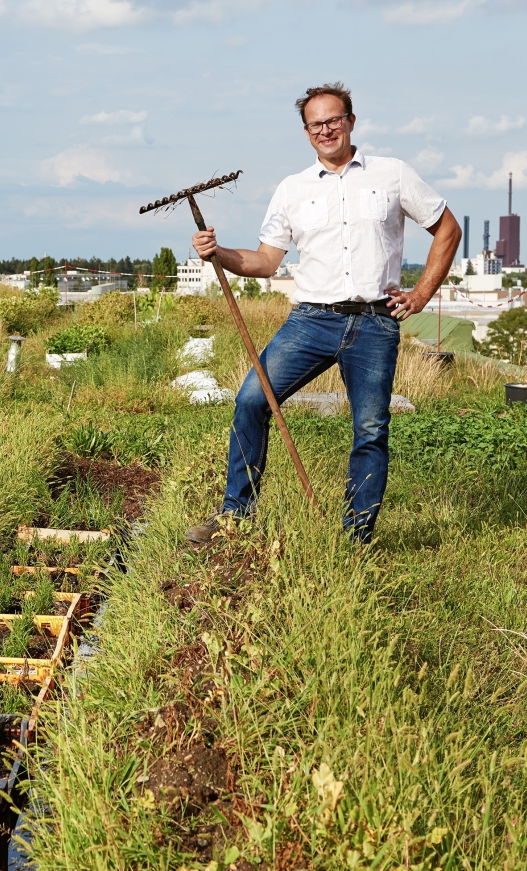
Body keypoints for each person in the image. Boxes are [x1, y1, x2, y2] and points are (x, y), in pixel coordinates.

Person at [185, 82, 461, 545]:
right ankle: (236, 516)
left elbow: (447, 228)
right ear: (307, 132)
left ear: (351, 121)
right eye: (316, 124)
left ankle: (356, 538)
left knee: (370, 429)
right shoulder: (292, 190)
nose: (326, 129)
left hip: (375, 322)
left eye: (334, 120)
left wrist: (420, 295)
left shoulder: (392, 174)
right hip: (310, 321)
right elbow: (265, 261)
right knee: (252, 400)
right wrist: (219, 254)